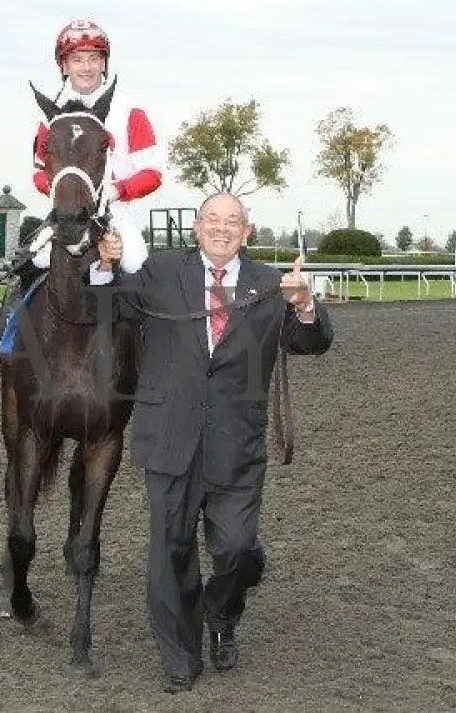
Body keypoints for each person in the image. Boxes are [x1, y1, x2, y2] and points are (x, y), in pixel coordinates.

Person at [91, 192, 334, 693]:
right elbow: (111, 308)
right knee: (170, 554)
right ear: (197, 227)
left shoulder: (270, 283)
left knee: (238, 550)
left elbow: (311, 342)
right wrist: (105, 267)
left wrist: (305, 304)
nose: (222, 229)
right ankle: (181, 658)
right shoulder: (160, 271)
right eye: (213, 220)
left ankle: (221, 614)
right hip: (169, 438)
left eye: (233, 222)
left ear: (247, 232)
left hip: (237, 444)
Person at [0, 18, 161, 352]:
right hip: (65, 214)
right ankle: (11, 343)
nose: (86, 67)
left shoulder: (131, 111)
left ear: (104, 63)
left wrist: (116, 190)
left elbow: (153, 173)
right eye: (77, 59)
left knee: (136, 263)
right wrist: (65, 192)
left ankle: (151, 353)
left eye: (93, 58)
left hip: (116, 214)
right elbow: (39, 173)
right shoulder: (49, 116)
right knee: (34, 262)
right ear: (64, 65)